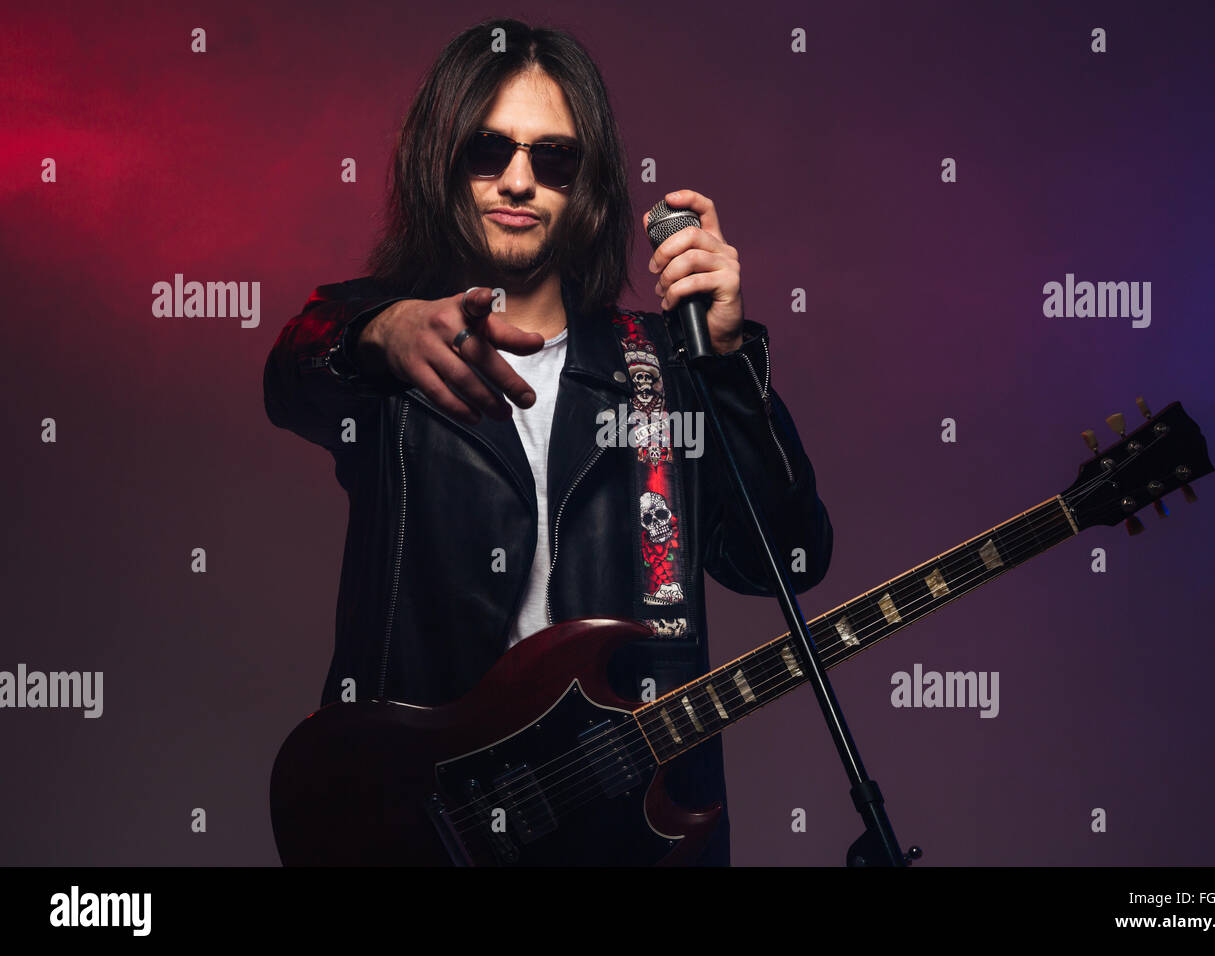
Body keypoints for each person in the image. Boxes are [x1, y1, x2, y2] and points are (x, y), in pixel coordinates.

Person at [262, 17, 832, 866]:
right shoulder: (388, 352)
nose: (519, 181)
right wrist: (380, 333)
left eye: (553, 157)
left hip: (633, 826)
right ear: (442, 164)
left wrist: (727, 364)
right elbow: (292, 376)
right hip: (427, 824)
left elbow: (783, 561)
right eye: (488, 152)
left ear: (586, 184)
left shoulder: (660, 365)